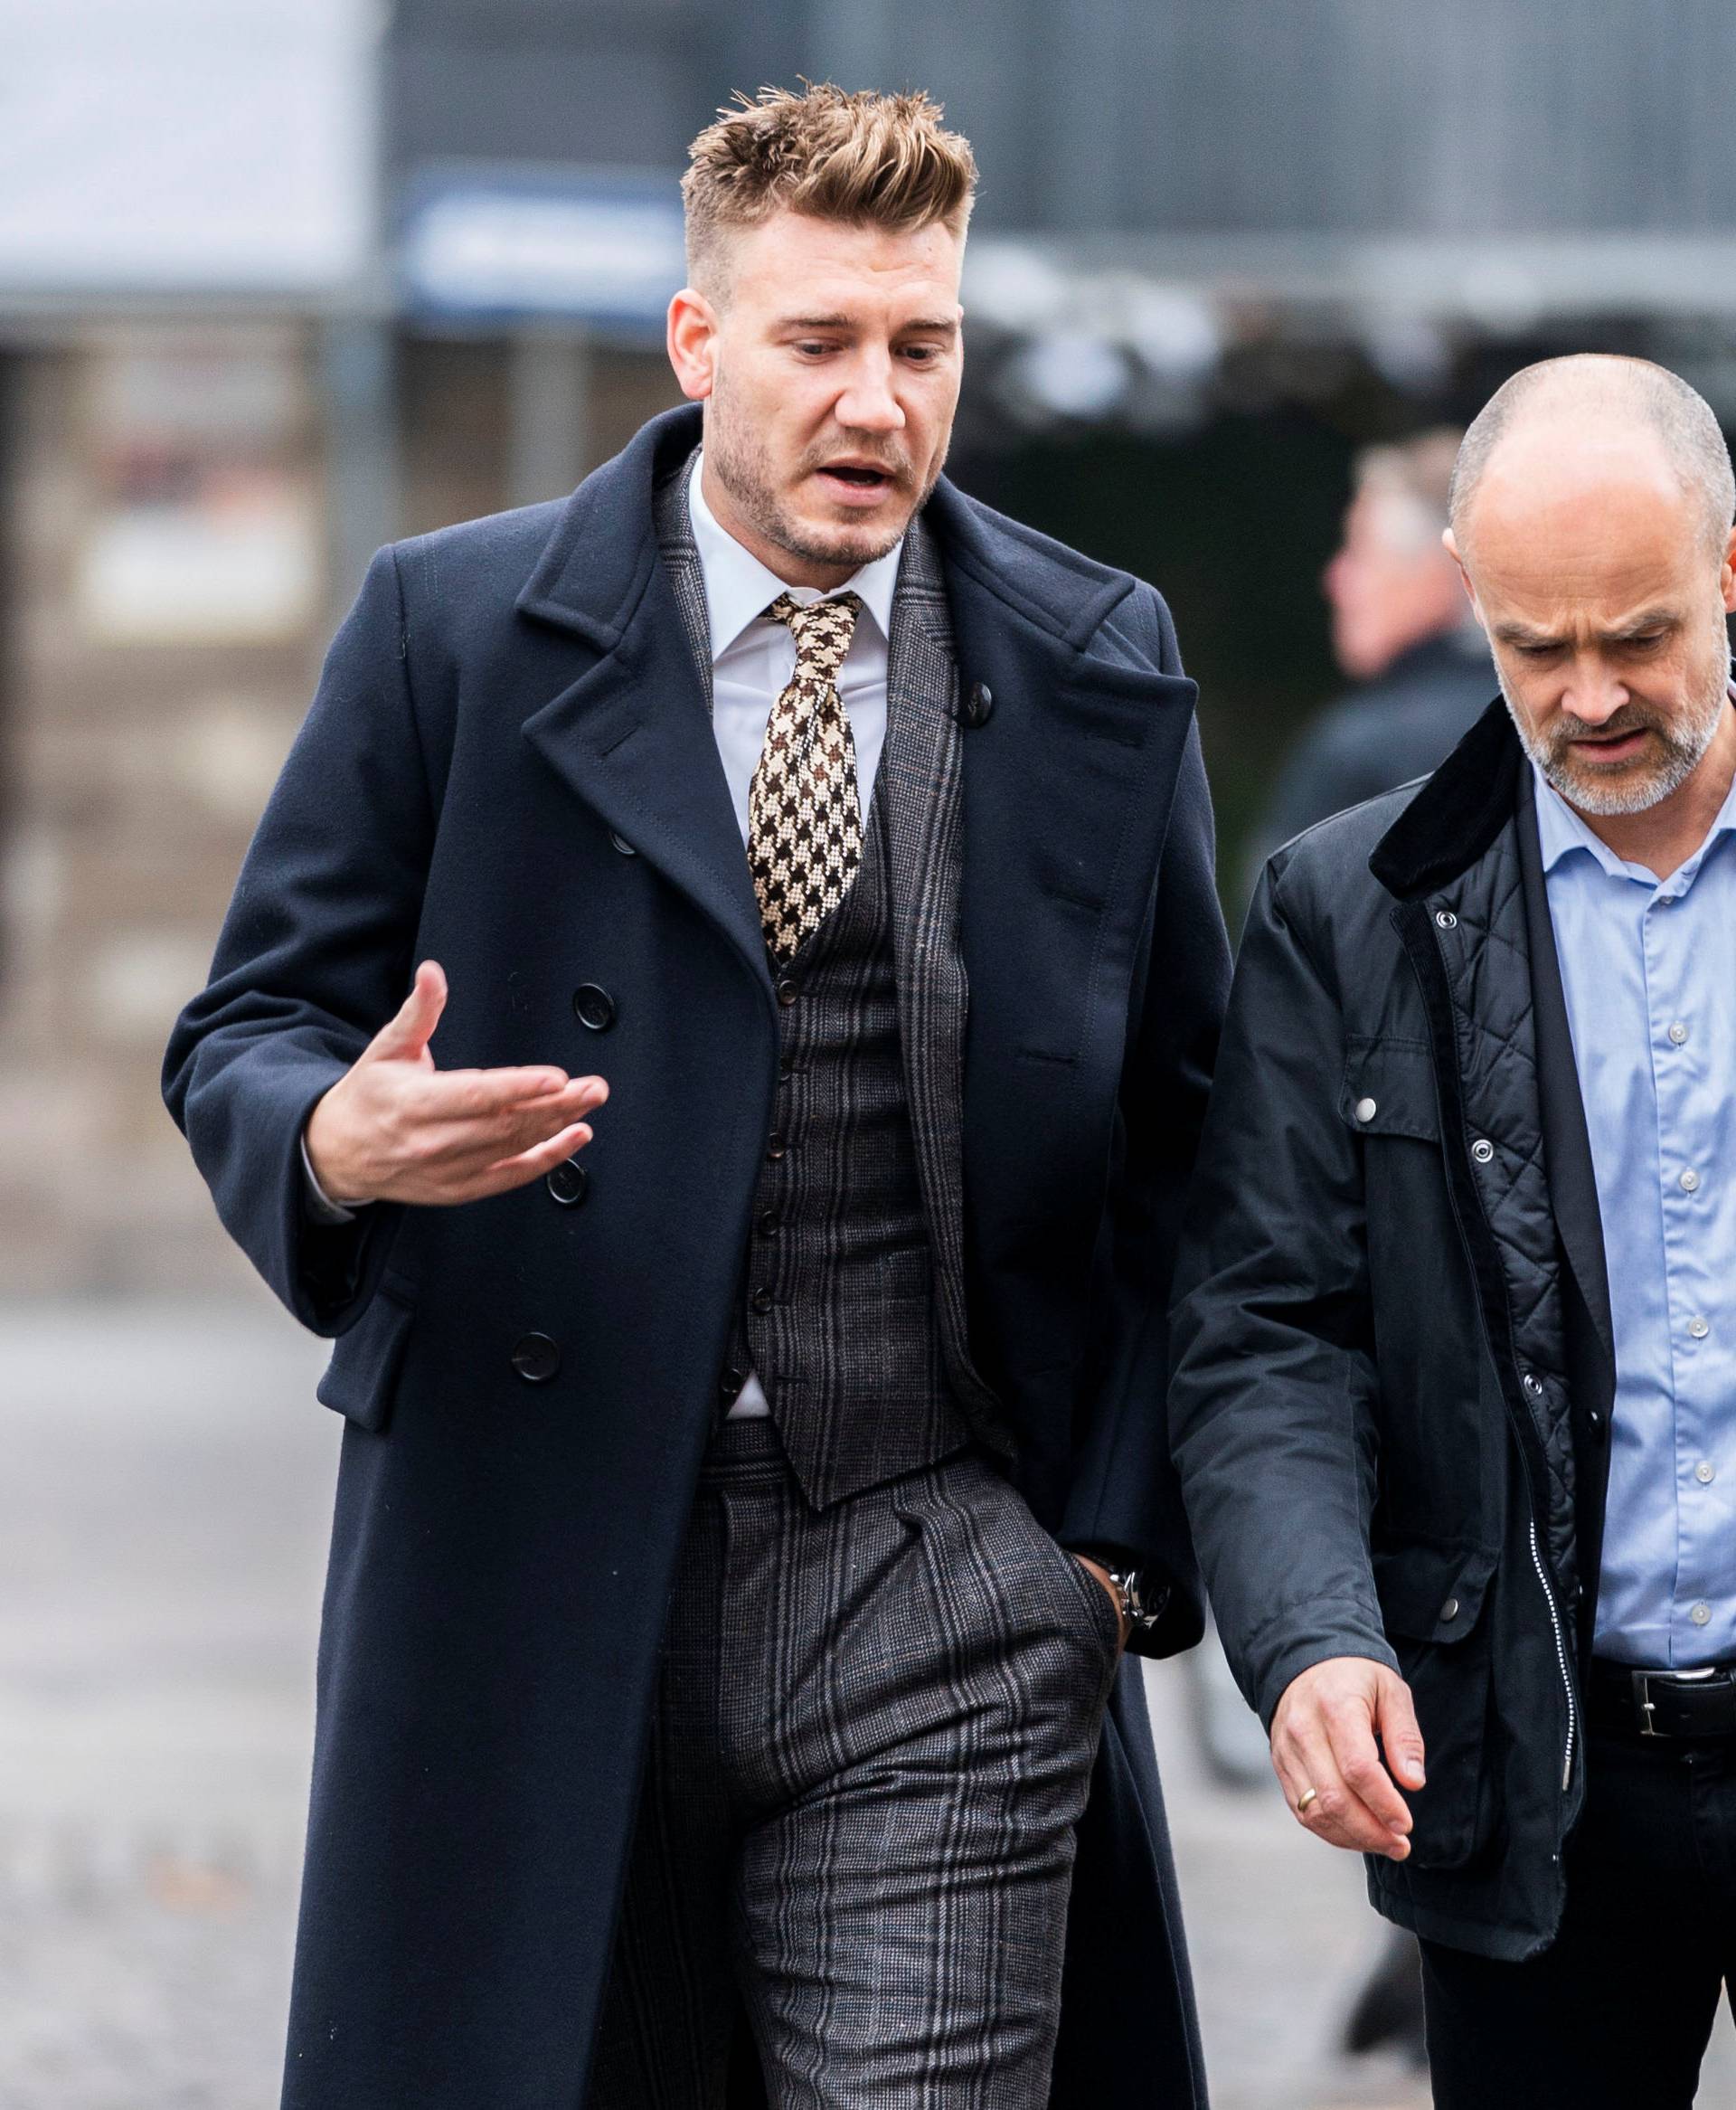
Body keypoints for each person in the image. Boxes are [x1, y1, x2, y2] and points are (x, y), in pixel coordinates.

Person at [164, 84, 1227, 2110]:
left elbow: (1195, 1142)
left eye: (922, 346)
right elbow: (245, 1025)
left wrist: (1093, 1563)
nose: (875, 403)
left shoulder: (1095, 658)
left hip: (942, 1572)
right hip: (530, 1567)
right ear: (698, 340)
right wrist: (326, 1136)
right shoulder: (451, 629)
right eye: (819, 342)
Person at [1169, 353, 1736, 2110]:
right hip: (1536, 1767)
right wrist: (1314, 1629)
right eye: (1534, 646)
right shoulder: (1350, 910)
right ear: (1468, 603)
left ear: (1730, 569)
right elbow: (1269, 1322)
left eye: (1637, 634)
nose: (1590, 697)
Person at [1241, 428, 1490, 900]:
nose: (1335, 580)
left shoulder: (1356, 751)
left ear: (1443, 571)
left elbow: (1274, 943)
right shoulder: (1553, 722)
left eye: (1359, 551)